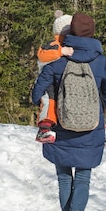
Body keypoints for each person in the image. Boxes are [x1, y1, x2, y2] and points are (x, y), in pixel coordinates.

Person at [31, 12, 106, 211]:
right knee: (83, 179)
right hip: (91, 128)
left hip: (61, 129)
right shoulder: (100, 61)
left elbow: (36, 94)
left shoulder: (58, 59)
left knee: (64, 179)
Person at [35, 10, 73, 144]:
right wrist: (60, 52)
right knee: (49, 101)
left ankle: (99, 129)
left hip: (64, 80)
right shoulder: (53, 45)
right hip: (47, 82)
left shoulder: (73, 44)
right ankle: (44, 128)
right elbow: (42, 55)